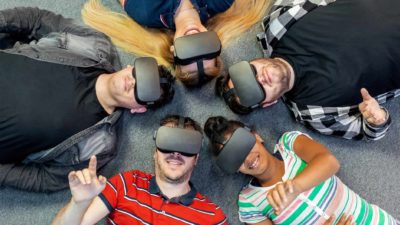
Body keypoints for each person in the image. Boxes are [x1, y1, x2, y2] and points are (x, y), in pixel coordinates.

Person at [0, 7, 174, 192]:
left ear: (139, 109)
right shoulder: (95, 44)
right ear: (131, 66)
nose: (133, 82)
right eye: (139, 73)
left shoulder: (101, 145)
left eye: (143, 90)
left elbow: (46, 179)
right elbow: (37, 20)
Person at [216, 0, 400, 140]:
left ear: (251, 61)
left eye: (250, 73)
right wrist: (377, 119)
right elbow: (369, 132)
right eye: (255, 90)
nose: (261, 78)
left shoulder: (278, 25)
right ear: (268, 103)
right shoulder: (315, 113)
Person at [204, 116, 400, 225]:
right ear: (234, 169)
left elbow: (330, 163)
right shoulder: (249, 203)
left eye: (245, 146)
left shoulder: (289, 144)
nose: (247, 158)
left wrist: (295, 187)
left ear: (257, 136)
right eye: (235, 158)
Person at [52, 115, 228, 225]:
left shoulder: (213, 217)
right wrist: (79, 203)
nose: (175, 153)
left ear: (196, 158)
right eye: (167, 144)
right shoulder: (127, 183)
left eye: (186, 147)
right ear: (155, 153)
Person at [81, 0, 271, 86]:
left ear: (173, 50)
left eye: (188, 52)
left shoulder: (145, 11)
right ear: (215, 40)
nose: (192, 37)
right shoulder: (221, 2)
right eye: (204, 48)